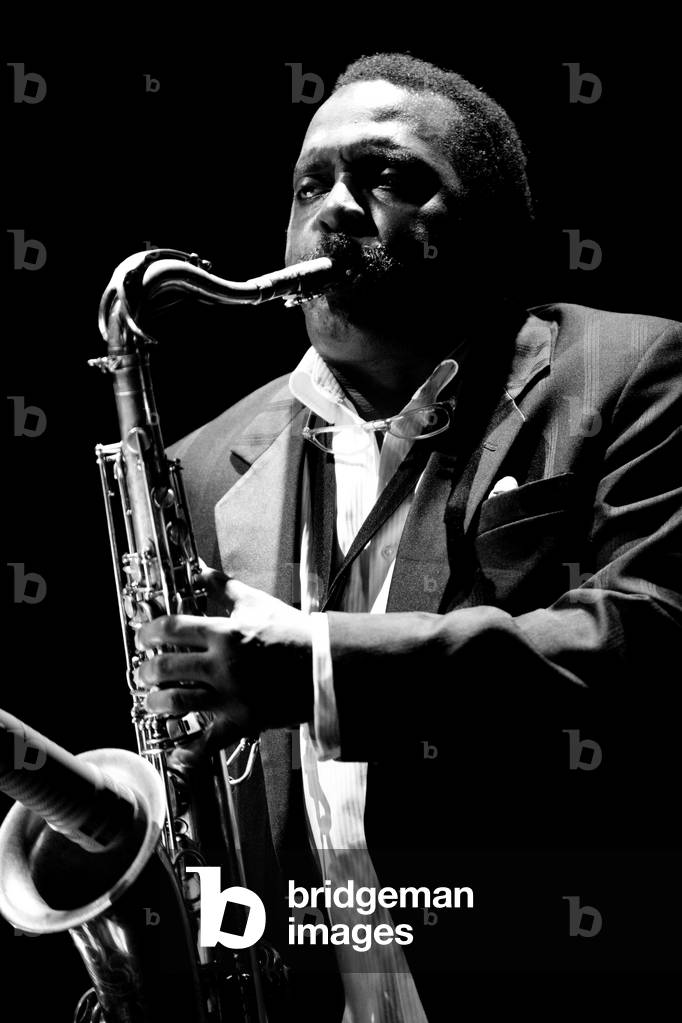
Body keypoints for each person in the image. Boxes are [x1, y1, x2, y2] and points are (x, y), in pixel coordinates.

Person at [135, 54, 681, 1020]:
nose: (335, 208)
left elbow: (643, 639)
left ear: (488, 232)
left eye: (388, 176)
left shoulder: (632, 368)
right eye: (310, 183)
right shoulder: (200, 460)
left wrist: (312, 665)